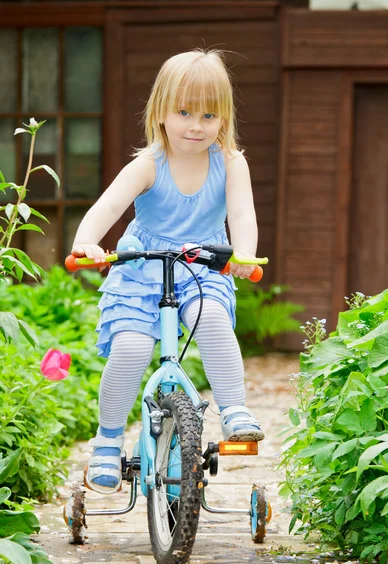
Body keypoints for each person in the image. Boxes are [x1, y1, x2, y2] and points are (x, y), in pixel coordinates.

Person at [71, 48, 264, 495]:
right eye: (183, 112)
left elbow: (243, 214)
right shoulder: (148, 164)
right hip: (142, 269)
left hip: (201, 265)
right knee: (131, 350)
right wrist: (87, 242)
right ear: (160, 112)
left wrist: (244, 256)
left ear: (224, 118)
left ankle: (234, 409)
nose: (196, 126)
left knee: (213, 319)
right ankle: (107, 439)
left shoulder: (231, 164)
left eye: (209, 115)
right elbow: (109, 205)